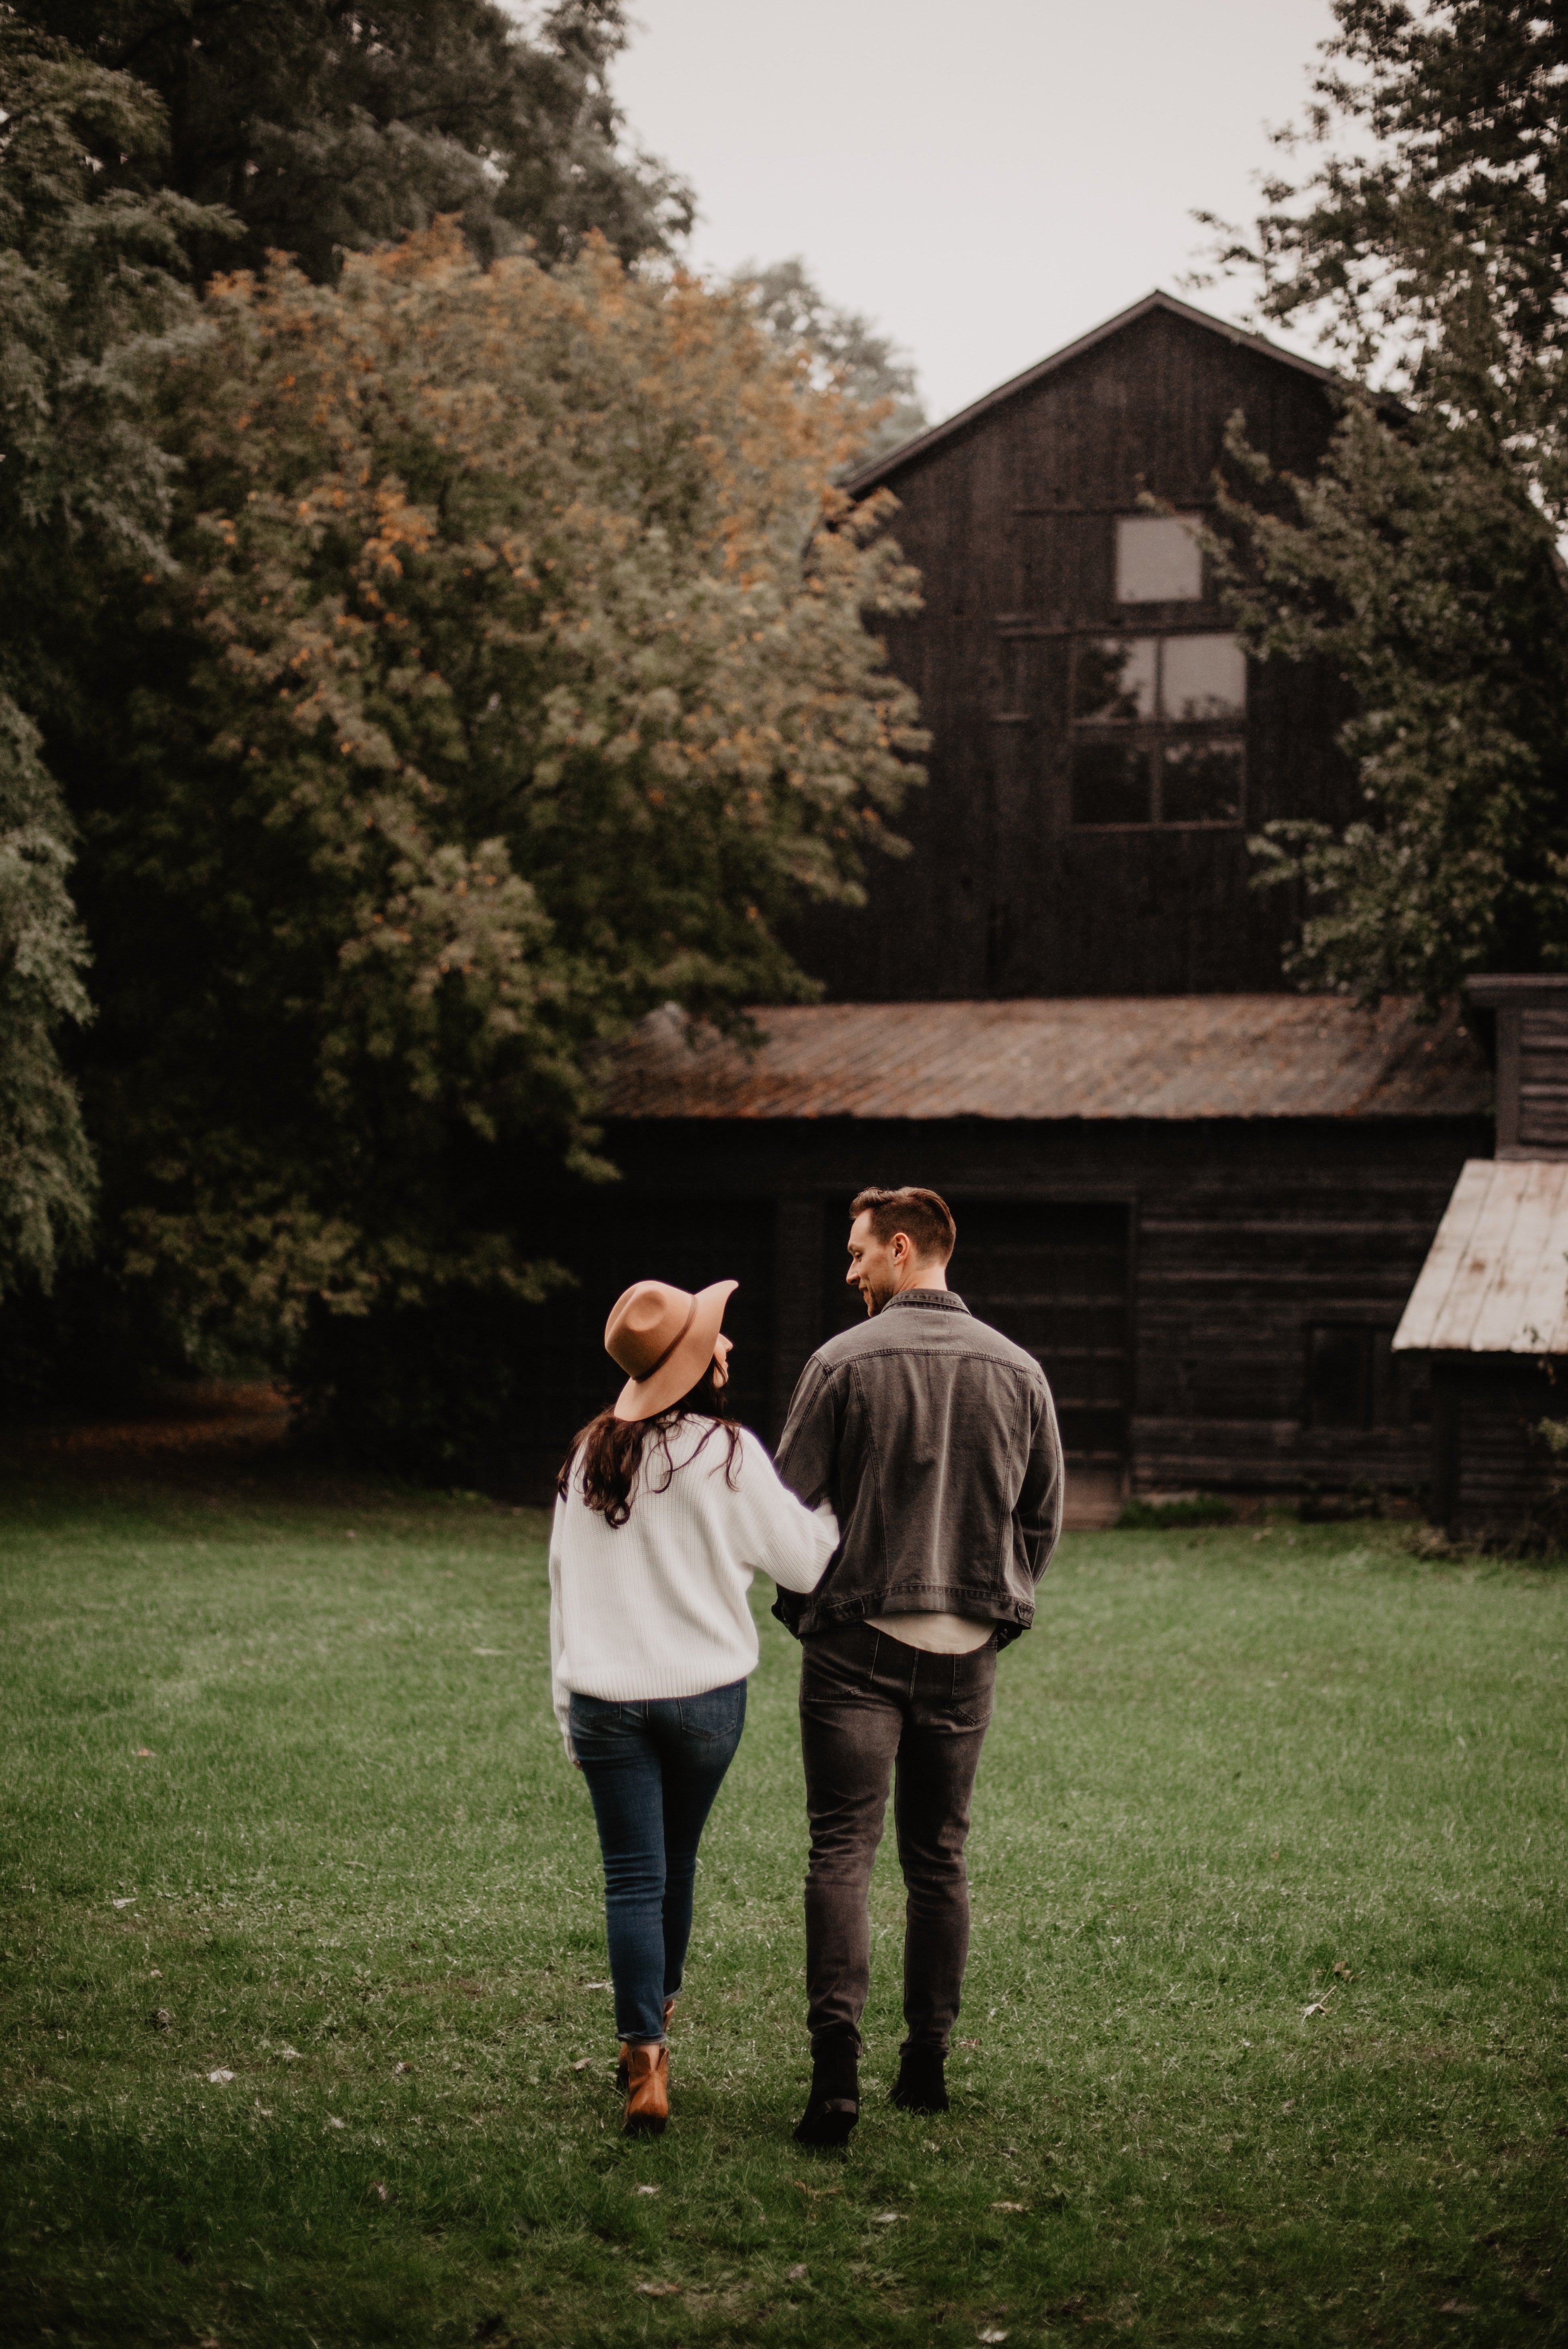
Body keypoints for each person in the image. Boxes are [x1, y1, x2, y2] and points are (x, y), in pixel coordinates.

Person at [773, 1185, 1063, 2145]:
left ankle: (835, 2081)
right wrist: (990, 1607)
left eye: (858, 1253)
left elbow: (784, 1511)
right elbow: (1042, 1519)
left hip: (856, 1645)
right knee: (939, 1858)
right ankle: (927, 2067)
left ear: (904, 1250)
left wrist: (810, 1606)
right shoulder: (1022, 1371)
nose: (849, 1270)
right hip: (964, 1654)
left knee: (840, 1852)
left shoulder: (840, 1362)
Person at [550, 1275, 837, 2136]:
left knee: (631, 1876)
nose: (729, 1346)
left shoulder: (587, 1455)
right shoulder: (730, 1454)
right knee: (675, 1868)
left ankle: (645, 2062)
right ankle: (657, 2021)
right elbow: (807, 1563)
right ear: (692, 1364)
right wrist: (839, 1505)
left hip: (604, 1699)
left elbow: (562, 1591)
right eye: (716, 1337)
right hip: (706, 1701)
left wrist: (566, 1707)